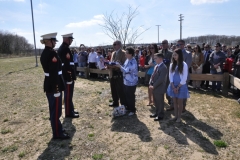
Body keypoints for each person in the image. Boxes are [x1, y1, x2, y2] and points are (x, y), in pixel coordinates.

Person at [40, 32, 70, 139]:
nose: (55, 43)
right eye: (54, 41)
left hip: (50, 84)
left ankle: (58, 128)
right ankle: (57, 133)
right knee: (56, 111)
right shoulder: (52, 54)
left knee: (54, 110)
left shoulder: (45, 52)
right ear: (50, 41)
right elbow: (53, 73)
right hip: (54, 85)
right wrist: (56, 89)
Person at [58, 33, 79, 118]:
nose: (72, 41)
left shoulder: (63, 48)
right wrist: (70, 77)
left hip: (65, 75)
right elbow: (66, 65)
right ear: (67, 39)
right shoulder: (65, 49)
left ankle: (71, 109)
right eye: (71, 39)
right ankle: (68, 113)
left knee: (69, 95)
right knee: (68, 95)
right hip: (67, 76)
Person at [167, 48, 189, 123]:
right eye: (173, 55)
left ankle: (179, 117)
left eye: (175, 55)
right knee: (174, 102)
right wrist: (173, 86)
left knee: (180, 102)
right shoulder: (171, 64)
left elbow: (184, 77)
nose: (174, 56)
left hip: (181, 85)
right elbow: (170, 76)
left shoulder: (184, 64)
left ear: (179, 55)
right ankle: (175, 116)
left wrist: (178, 86)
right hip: (173, 85)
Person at [115, 46, 138, 116]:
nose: (125, 54)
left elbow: (126, 71)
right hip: (126, 81)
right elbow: (124, 67)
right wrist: (120, 64)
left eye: (127, 53)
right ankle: (128, 108)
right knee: (126, 96)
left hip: (131, 82)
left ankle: (132, 110)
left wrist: (119, 66)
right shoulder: (127, 60)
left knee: (130, 96)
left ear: (131, 54)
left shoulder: (133, 61)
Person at [149, 53, 167, 121]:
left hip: (159, 87)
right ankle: (157, 113)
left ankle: (160, 115)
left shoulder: (163, 67)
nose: (154, 59)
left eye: (156, 58)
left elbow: (161, 79)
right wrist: (150, 83)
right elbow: (152, 75)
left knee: (160, 102)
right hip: (154, 86)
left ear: (160, 59)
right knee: (156, 101)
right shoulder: (156, 66)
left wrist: (153, 85)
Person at [108, 40, 126, 107]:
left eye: (115, 44)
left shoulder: (123, 53)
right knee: (113, 88)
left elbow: (124, 64)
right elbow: (111, 61)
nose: (114, 46)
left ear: (119, 45)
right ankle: (115, 102)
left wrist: (117, 66)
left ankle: (123, 103)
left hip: (119, 73)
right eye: (113, 44)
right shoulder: (113, 53)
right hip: (112, 72)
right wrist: (108, 65)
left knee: (120, 89)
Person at [177, 40, 192, 113]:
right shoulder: (175, 53)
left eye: (181, 44)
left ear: (184, 45)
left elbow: (187, 65)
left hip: (184, 76)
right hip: (176, 76)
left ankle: (183, 106)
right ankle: (176, 105)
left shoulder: (188, 54)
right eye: (178, 44)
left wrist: (178, 69)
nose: (179, 45)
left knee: (183, 91)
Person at [159, 40, 173, 108]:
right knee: (161, 84)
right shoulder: (159, 52)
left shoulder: (170, 53)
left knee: (167, 84)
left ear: (167, 44)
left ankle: (169, 98)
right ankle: (161, 98)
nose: (163, 44)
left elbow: (173, 61)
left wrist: (168, 61)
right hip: (160, 71)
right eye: (162, 43)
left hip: (167, 70)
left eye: (164, 43)